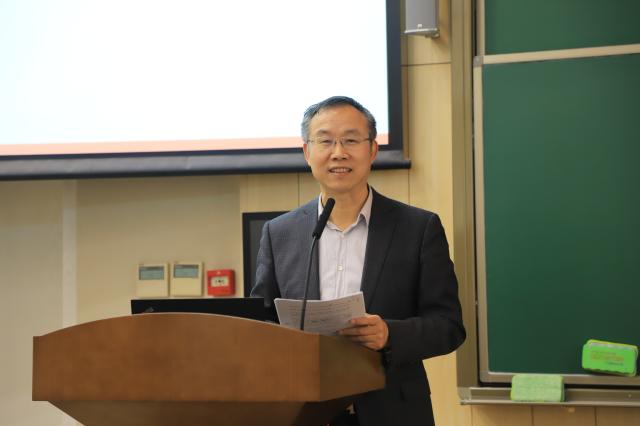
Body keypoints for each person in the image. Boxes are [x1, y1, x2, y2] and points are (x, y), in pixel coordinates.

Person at [251, 96, 465, 426]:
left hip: (392, 413)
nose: (338, 153)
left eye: (351, 140)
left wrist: (389, 334)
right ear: (307, 152)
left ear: (372, 150)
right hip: (305, 411)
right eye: (325, 141)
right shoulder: (279, 233)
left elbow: (448, 326)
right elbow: (259, 325)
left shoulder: (418, 228)